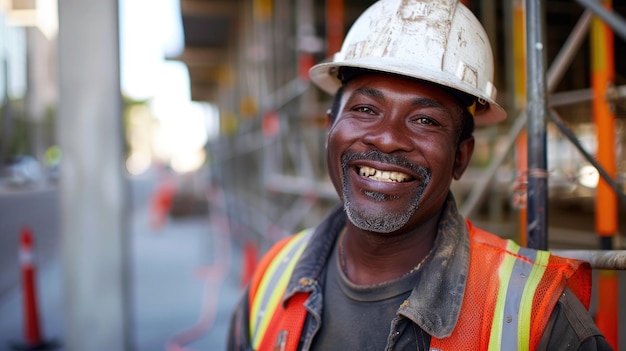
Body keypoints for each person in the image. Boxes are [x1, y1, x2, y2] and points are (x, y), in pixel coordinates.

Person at [227, 0, 611, 349]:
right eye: (365, 110)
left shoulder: (538, 316)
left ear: (461, 157)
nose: (388, 139)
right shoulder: (274, 276)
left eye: (425, 120)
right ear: (331, 127)